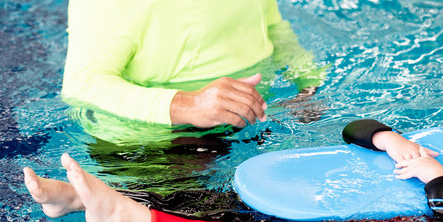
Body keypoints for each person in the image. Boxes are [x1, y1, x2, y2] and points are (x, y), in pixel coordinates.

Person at [23, 98, 443, 222]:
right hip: (298, 182)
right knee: (200, 197)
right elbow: (353, 129)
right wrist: (390, 138)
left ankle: (119, 212)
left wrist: (431, 176)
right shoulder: (434, 141)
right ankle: (73, 198)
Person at [62, 0, 325, 128]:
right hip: (154, 149)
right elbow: (81, 85)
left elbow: (274, 29)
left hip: (255, 120)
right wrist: (189, 105)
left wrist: (307, 88)